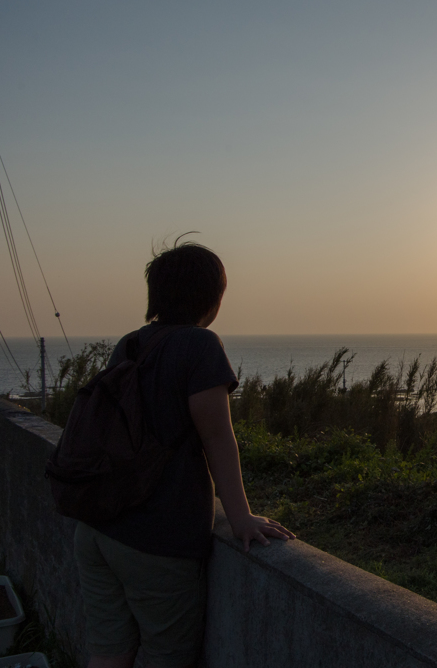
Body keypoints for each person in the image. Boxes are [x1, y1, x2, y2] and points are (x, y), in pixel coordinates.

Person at [73, 241, 295, 668]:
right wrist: (240, 516)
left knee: (108, 651)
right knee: (166, 656)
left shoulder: (131, 344)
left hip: (98, 527)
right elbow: (217, 438)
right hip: (155, 539)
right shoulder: (201, 345)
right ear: (211, 299)